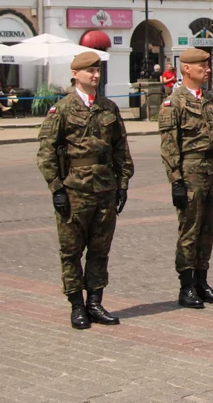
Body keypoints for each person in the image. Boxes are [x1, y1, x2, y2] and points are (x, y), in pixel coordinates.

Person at [36, 51, 133, 329]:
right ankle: (77, 305)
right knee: (71, 250)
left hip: (104, 187)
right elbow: (46, 153)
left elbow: (120, 149)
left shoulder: (108, 108)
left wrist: (122, 183)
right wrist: (56, 188)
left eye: (98, 70)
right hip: (74, 189)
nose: (95, 75)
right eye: (89, 71)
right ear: (75, 74)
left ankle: (95, 302)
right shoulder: (62, 109)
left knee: (100, 249)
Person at [159, 48, 213, 308]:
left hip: (212, 169)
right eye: (202, 65)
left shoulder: (209, 98)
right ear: (186, 68)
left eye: (208, 65)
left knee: (208, 229)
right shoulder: (173, 103)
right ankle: (186, 286)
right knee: (190, 230)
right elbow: (169, 146)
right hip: (191, 171)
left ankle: (202, 281)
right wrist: (176, 180)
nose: (208, 69)